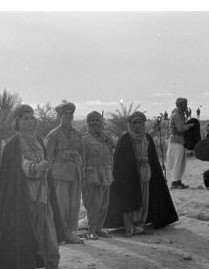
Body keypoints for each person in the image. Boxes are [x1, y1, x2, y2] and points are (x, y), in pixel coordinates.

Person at [0, 104, 73, 269]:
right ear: (17, 122)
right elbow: (20, 166)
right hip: (25, 198)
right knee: (27, 234)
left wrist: (46, 168)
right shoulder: (13, 145)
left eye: (31, 117)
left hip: (43, 195)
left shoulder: (38, 140)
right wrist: (36, 168)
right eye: (25, 118)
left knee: (49, 234)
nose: (30, 121)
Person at [104, 111, 178, 236]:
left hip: (146, 173)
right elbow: (119, 162)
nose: (138, 125)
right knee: (129, 200)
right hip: (129, 177)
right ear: (130, 124)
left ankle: (140, 225)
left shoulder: (147, 138)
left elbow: (153, 159)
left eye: (140, 122)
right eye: (135, 122)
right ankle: (129, 226)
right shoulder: (125, 139)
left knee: (145, 198)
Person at [45, 100, 84, 244]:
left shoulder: (78, 134)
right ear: (60, 116)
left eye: (70, 114)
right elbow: (47, 156)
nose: (68, 116)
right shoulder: (53, 134)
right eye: (65, 114)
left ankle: (71, 233)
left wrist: (82, 170)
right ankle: (58, 234)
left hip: (75, 174)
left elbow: (82, 154)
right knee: (61, 205)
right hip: (60, 174)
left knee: (74, 206)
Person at [81, 111, 114, 240]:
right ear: (88, 123)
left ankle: (99, 228)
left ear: (102, 122)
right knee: (93, 205)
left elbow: (111, 155)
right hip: (91, 175)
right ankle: (92, 230)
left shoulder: (106, 138)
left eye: (97, 120)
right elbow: (82, 159)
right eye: (92, 120)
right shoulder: (84, 139)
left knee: (104, 204)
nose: (95, 123)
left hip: (105, 174)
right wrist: (83, 176)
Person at [166, 97, 195, 189]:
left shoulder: (180, 114)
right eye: (184, 104)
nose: (185, 106)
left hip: (179, 141)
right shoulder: (177, 115)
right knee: (177, 162)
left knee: (181, 162)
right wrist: (189, 126)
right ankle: (175, 182)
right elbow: (180, 129)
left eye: (186, 104)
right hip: (177, 141)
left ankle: (178, 181)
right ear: (179, 105)